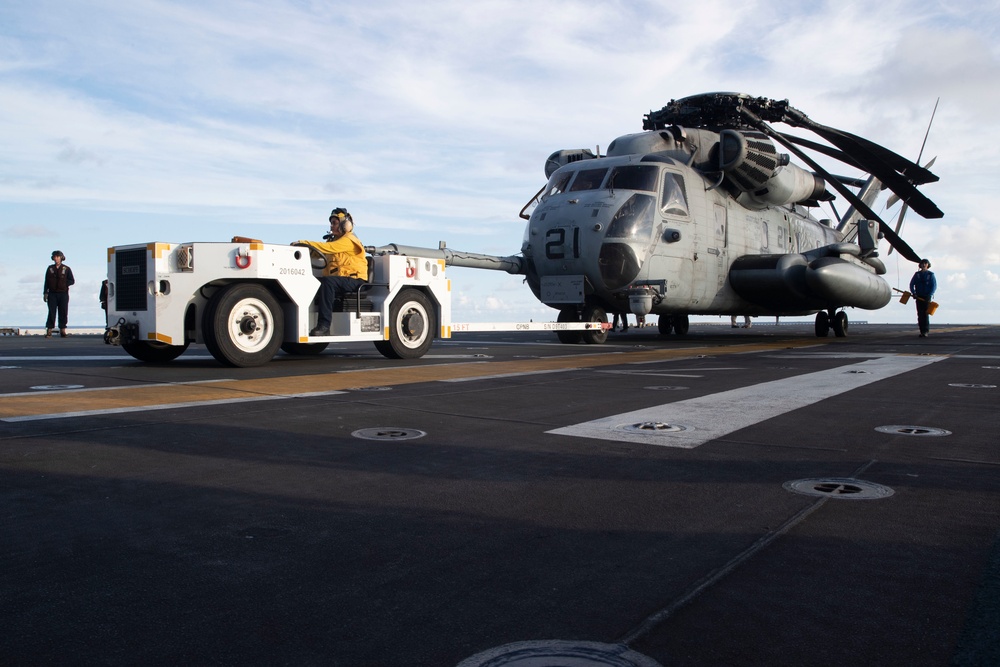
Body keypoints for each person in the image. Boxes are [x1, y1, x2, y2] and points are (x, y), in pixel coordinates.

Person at [294, 208, 368, 336]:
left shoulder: (349, 240)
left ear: (345, 225)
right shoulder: (334, 241)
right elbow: (319, 252)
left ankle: (324, 326)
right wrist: (303, 250)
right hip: (340, 281)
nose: (331, 226)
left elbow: (328, 248)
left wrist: (303, 242)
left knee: (327, 282)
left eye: (334, 223)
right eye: (331, 223)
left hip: (356, 281)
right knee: (313, 282)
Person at [43, 250, 75, 338]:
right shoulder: (50, 269)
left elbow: (72, 280)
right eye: (55, 257)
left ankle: (63, 330)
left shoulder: (66, 269)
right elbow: (46, 282)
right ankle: (49, 330)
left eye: (58, 256)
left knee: (63, 312)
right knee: (51, 312)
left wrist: (64, 284)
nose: (56, 258)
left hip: (63, 294)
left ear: (61, 258)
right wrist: (45, 293)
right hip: (52, 294)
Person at [909, 258, 937, 338]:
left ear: (928, 265)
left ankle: (925, 331)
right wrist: (914, 293)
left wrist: (929, 295)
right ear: (920, 265)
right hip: (918, 296)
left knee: (925, 314)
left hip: (926, 297)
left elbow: (933, 286)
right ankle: (922, 331)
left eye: (925, 263)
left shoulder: (931, 275)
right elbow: (911, 284)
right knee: (920, 314)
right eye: (923, 263)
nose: (924, 265)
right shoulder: (917, 274)